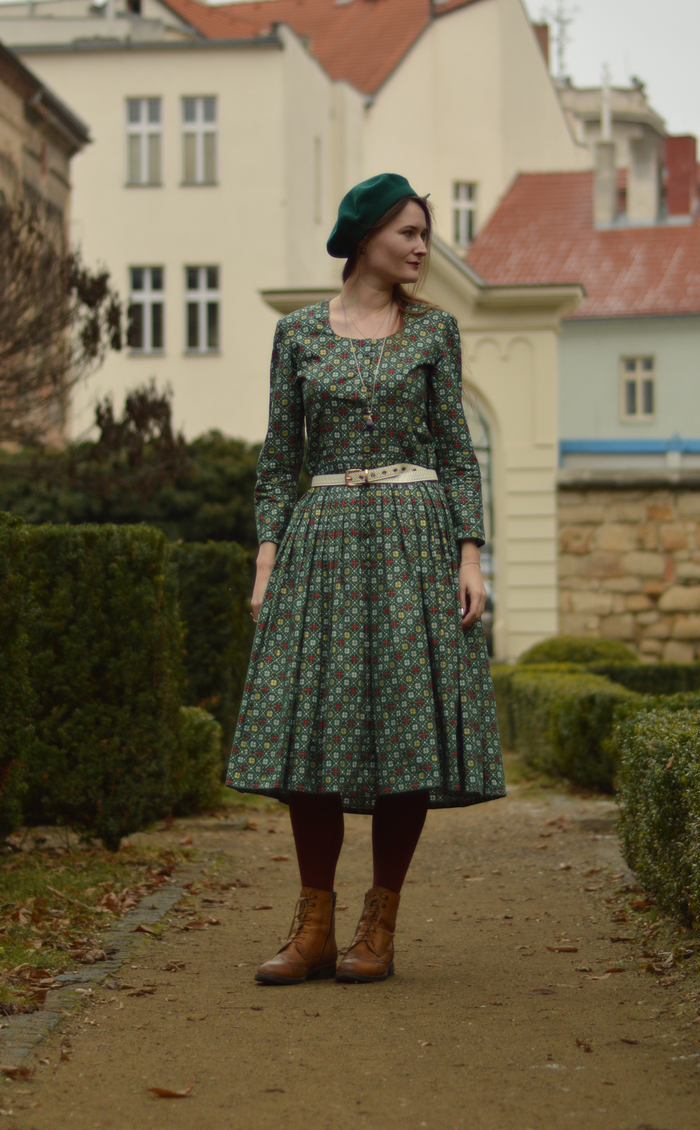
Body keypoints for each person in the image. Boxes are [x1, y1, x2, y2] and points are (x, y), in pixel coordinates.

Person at [226, 173, 505, 986]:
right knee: (307, 727)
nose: (423, 247)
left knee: (405, 735)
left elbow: (456, 451)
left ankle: (377, 926)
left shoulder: (435, 332)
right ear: (366, 235)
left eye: (425, 234)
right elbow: (279, 459)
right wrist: (265, 559)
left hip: (415, 543)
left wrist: (469, 555)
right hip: (320, 544)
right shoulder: (299, 334)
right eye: (410, 233)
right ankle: (312, 926)